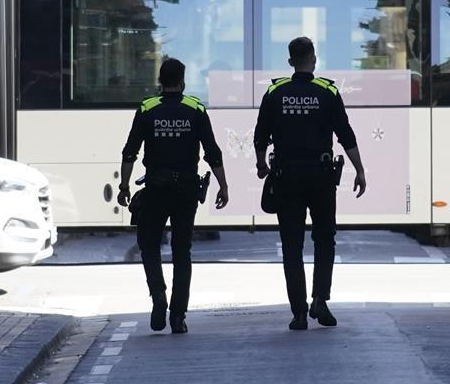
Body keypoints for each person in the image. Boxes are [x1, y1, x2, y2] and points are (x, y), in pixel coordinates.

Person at [253, 36, 367, 330]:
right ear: (313, 58)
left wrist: (262, 163)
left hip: (286, 177)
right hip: (321, 178)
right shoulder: (327, 91)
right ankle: (320, 300)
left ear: (291, 61)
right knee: (324, 240)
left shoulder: (275, 92)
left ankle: (299, 312)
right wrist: (359, 169)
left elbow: (260, 134)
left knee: (292, 245)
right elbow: (346, 134)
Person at [118, 58, 229, 333]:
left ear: (160, 81)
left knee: (149, 244)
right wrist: (223, 185)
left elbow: (130, 151)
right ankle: (178, 316)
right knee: (182, 251)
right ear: (182, 81)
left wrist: (124, 185)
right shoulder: (195, 109)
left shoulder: (147, 108)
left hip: (156, 188)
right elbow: (212, 152)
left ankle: (158, 296)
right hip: (186, 191)